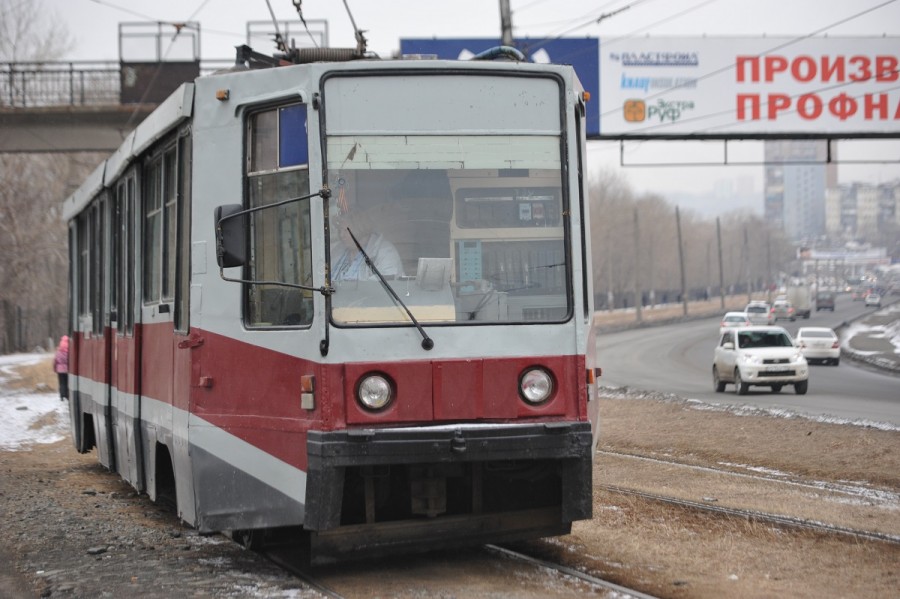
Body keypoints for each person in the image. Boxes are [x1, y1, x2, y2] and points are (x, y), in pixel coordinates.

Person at [331, 211, 404, 281]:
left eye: (346, 230)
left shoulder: (386, 252)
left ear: (359, 229)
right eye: (340, 230)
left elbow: (381, 289)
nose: (341, 235)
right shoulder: (337, 251)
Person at [54, 335, 69, 401]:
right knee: (66, 382)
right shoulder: (69, 352)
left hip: (59, 370)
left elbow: (55, 361)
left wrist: (55, 369)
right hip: (67, 370)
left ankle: (61, 396)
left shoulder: (58, 352)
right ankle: (66, 395)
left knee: (61, 383)